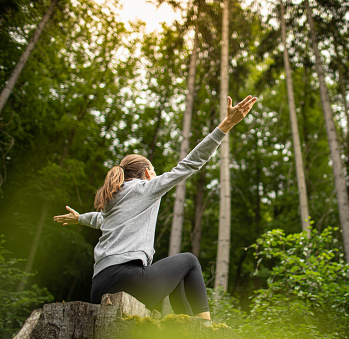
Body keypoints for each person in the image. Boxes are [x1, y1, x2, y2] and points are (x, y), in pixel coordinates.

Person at [53, 95, 257, 320]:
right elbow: (189, 164)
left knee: (178, 275)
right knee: (189, 261)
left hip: (99, 287)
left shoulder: (114, 198)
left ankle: (186, 328)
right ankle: (205, 329)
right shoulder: (144, 188)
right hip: (127, 279)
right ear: (148, 172)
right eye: (154, 170)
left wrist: (80, 218)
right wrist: (226, 124)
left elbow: (99, 219)